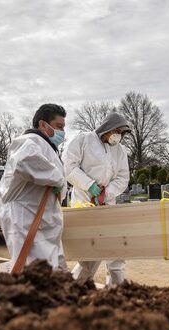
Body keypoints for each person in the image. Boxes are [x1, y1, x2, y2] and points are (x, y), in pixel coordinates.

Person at [62, 112, 131, 285]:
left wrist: (105, 193)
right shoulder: (83, 140)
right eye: (116, 131)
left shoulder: (120, 150)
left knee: (115, 250)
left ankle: (116, 288)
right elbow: (69, 167)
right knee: (90, 251)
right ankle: (76, 287)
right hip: (84, 201)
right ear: (106, 128)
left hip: (108, 203)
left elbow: (123, 177)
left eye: (121, 133)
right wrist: (90, 186)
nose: (118, 136)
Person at [0, 104, 68, 271]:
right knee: (33, 271)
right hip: (25, 218)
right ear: (43, 124)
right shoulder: (29, 141)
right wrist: (58, 179)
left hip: (41, 217)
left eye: (64, 127)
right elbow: (25, 161)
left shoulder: (46, 145)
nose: (62, 132)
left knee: (52, 271)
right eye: (59, 126)